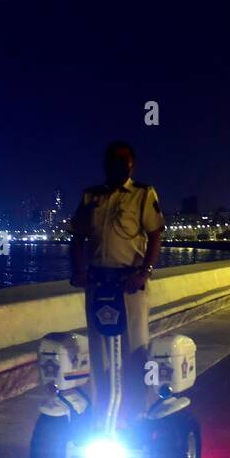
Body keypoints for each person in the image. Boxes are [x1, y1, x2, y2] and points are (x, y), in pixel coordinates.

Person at [70, 141, 164, 428]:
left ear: (132, 164)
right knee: (100, 353)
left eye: (124, 160)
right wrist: (78, 270)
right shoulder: (91, 197)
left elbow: (156, 234)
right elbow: (77, 238)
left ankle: (136, 414)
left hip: (129, 285)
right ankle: (103, 415)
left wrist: (144, 272)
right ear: (105, 163)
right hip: (98, 284)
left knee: (135, 349)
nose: (118, 164)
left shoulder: (143, 194)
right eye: (113, 159)